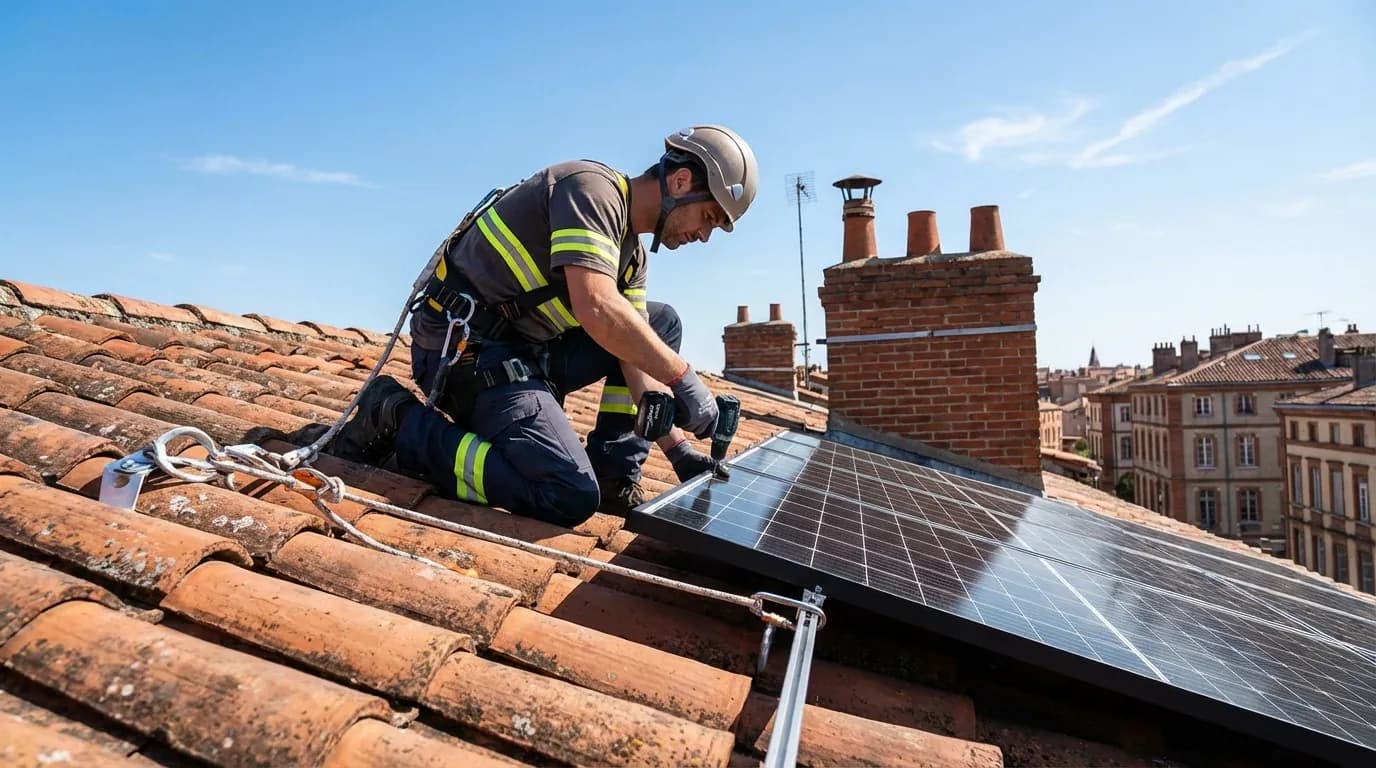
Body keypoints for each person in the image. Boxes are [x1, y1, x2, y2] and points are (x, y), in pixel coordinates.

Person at [326, 125, 758, 528]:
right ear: (681, 182)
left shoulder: (633, 258)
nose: (704, 236)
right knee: (565, 493)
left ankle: (614, 475)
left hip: (525, 352)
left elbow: (633, 356)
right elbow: (597, 306)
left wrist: (680, 453)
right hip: (465, 354)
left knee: (657, 325)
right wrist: (683, 378)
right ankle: (401, 423)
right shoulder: (590, 190)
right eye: (708, 217)